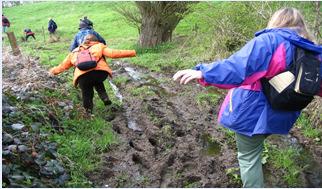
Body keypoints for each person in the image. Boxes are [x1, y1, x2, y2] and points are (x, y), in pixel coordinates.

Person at [173, 8, 322, 188]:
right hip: (285, 113)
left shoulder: (269, 41)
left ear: (276, 21)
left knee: (248, 158)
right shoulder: (314, 52)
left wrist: (202, 72)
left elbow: (238, 68)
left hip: (253, 113)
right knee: (256, 146)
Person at [49, 34, 136, 116]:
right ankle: (105, 98)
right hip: (100, 73)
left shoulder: (74, 51)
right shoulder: (99, 46)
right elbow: (113, 53)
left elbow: (63, 66)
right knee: (97, 81)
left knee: (86, 94)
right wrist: (133, 52)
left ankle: (88, 113)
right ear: (96, 41)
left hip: (82, 76)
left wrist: (52, 72)